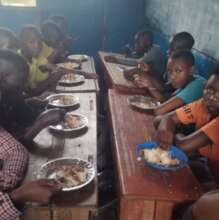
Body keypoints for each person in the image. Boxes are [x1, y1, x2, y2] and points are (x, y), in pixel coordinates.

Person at [153, 69, 219, 182]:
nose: (212, 97)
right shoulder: (202, 105)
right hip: (206, 164)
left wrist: (176, 133)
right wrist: (166, 128)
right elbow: (163, 119)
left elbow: (183, 146)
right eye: (210, 90)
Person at [135, 50, 206, 115]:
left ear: (191, 70)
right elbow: (164, 99)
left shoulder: (197, 85)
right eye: (170, 71)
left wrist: (139, 106)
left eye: (178, 71)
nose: (172, 76)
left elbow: (159, 110)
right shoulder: (187, 80)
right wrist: (149, 86)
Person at [19, 25, 65, 96]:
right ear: (22, 43)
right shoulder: (19, 62)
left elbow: (57, 69)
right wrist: (50, 79)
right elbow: (29, 92)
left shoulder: (35, 57)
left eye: (38, 41)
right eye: (31, 42)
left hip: (41, 92)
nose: (36, 45)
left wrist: (83, 73)